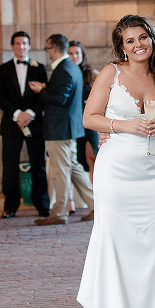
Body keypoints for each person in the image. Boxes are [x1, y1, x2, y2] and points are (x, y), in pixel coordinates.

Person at [78, 15, 155, 308]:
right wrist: (125, 126)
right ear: (121, 47)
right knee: (117, 248)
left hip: (152, 174)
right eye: (130, 41)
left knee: (154, 248)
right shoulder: (111, 73)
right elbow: (89, 117)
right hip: (116, 172)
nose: (138, 45)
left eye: (143, 37)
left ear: (152, 38)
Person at [29, 34, 94, 226]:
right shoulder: (71, 67)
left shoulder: (64, 69)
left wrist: (41, 91)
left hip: (60, 129)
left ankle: (59, 213)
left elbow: (61, 99)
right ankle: (97, 206)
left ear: (54, 49)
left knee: (61, 172)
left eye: (47, 48)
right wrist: (47, 89)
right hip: (67, 128)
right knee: (73, 168)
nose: (47, 52)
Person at [0, 31, 50, 218]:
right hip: (11, 124)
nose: (21, 47)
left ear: (29, 46)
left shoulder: (39, 68)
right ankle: (10, 205)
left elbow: (43, 96)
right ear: (12, 46)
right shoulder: (2, 69)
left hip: (34, 123)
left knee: (38, 164)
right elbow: (0, 98)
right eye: (17, 43)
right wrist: (18, 115)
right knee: (9, 165)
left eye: (24, 43)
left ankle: (42, 203)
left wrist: (30, 114)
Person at [68, 41, 99, 221]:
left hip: (90, 124)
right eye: (71, 53)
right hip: (74, 124)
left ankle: (97, 202)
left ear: (82, 55)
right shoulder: (67, 73)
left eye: (77, 53)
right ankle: (71, 202)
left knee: (92, 159)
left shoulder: (91, 73)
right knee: (74, 163)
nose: (74, 57)